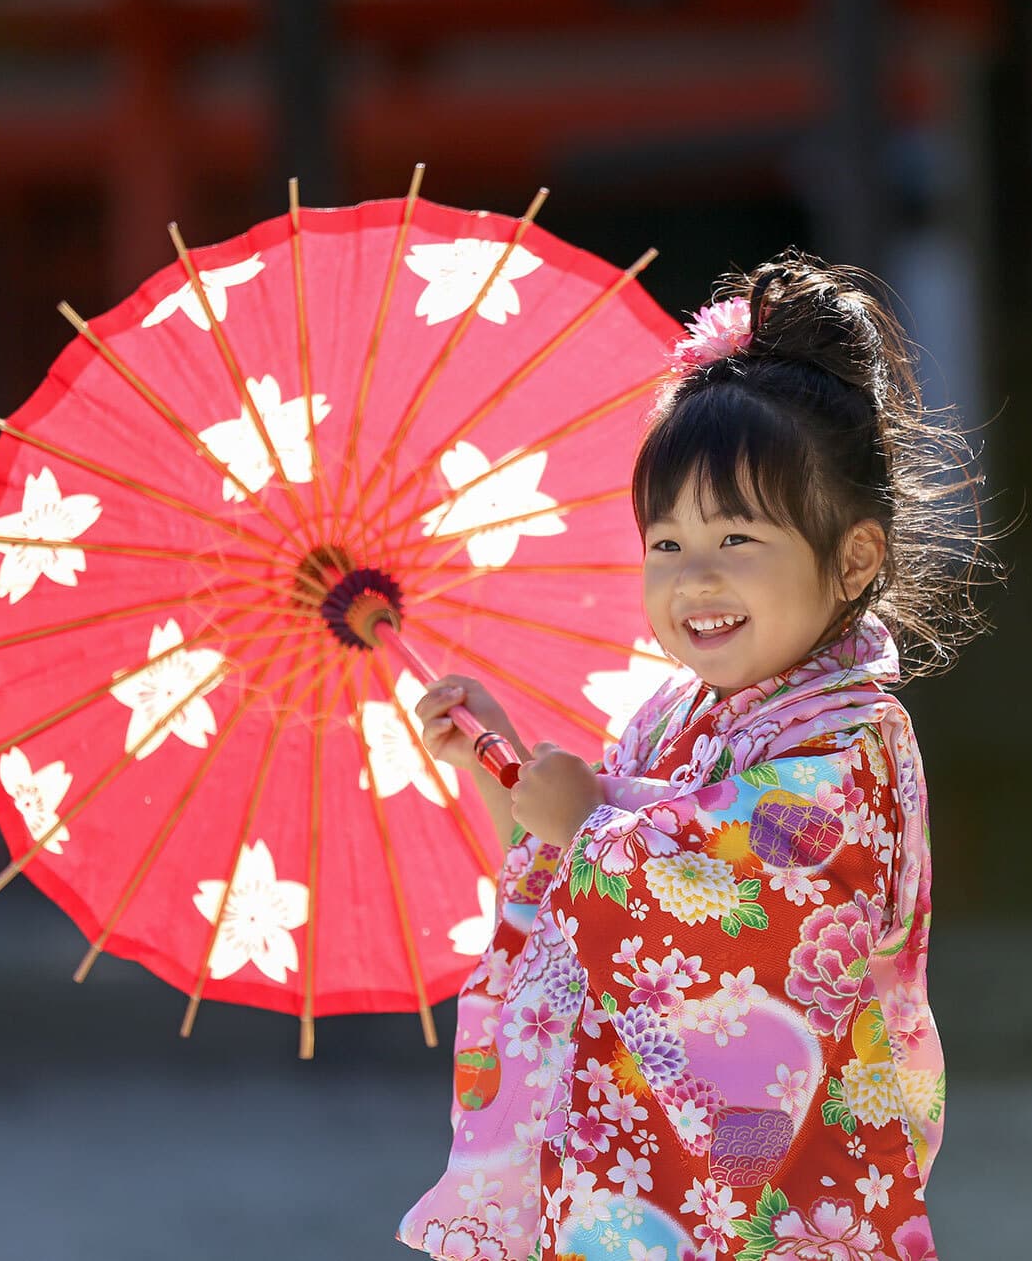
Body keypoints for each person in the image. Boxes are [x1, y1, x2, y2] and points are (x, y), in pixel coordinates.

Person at [398, 251, 994, 1261]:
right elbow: (570, 893)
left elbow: (746, 912)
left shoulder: (847, 737)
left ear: (852, 556)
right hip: (634, 1181)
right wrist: (493, 763)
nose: (693, 578)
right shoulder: (664, 717)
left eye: (736, 539)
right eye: (665, 545)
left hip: (777, 1196)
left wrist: (586, 826)